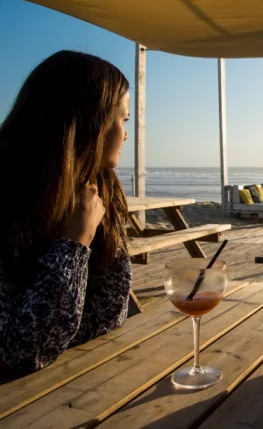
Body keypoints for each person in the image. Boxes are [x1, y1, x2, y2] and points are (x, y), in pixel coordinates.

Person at [0, 50, 133, 372]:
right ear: (88, 122)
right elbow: (21, 351)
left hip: (77, 376)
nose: (126, 133)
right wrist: (74, 243)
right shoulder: (9, 199)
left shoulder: (98, 189)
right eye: (122, 119)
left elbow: (107, 315)